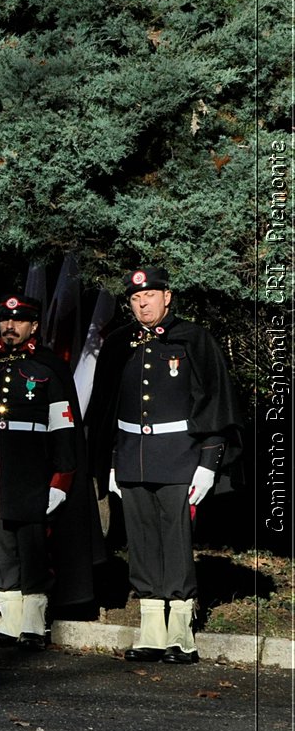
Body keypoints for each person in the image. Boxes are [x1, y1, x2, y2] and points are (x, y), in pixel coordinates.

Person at [86, 267, 241, 665]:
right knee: (140, 542)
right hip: (132, 459)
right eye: (136, 299)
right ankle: (152, 632)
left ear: (167, 297)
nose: (142, 304)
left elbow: (215, 404)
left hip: (180, 459)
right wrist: (110, 464)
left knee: (176, 542)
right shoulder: (120, 343)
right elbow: (106, 410)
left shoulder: (194, 339)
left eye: (150, 296)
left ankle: (181, 634)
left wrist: (208, 463)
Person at [0, 294, 102, 650]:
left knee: (31, 547)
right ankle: (9, 623)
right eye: (5, 320)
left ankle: (34, 624)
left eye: (19, 321)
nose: (10, 327)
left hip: (30, 472)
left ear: (33, 326)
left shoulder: (48, 366)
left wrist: (61, 479)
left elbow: (62, 424)